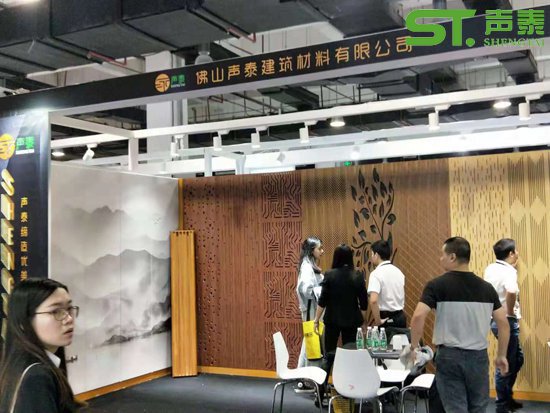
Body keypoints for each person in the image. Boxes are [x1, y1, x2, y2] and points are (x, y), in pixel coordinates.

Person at [409, 237, 510, 413]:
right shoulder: (487, 289)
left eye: (443, 255)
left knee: (455, 408)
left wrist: (413, 347)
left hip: (449, 357)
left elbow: (418, 316)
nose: (440, 258)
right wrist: (501, 355)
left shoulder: (436, 285)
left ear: (452, 257)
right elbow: (503, 323)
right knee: (478, 408)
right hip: (478, 357)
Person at [0, 278, 84, 413]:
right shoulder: (36, 377)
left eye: (69, 309)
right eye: (56, 311)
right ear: (24, 321)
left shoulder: (20, 365)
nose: (69, 318)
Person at [313, 244, 368, 381]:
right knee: (351, 355)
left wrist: (316, 320)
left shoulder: (329, 275)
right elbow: (364, 303)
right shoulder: (357, 275)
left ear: (336, 257)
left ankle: (321, 387)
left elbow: (322, 300)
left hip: (332, 320)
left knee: (328, 356)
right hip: (352, 321)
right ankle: (350, 386)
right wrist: (363, 322)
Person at [484, 238, 524, 413]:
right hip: (506, 321)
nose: (517, 253)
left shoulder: (490, 268)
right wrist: (510, 313)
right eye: (516, 251)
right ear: (510, 253)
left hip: (494, 319)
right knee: (506, 362)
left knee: (517, 359)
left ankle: (507, 398)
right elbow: (511, 291)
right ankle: (502, 405)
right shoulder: (509, 271)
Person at [295, 236, 324, 369]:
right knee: (312, 342)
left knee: (310, 341)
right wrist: (322, 291)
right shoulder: (307, 267)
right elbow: (305, 289)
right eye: (319, 248)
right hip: (311, 310)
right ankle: (308, 373)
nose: (322, 251)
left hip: (313, 308)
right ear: (312, 250)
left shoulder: (310, 265)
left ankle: (302, 372)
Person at [367, 240, 406, 328]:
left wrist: (378, 321)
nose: (372, 257)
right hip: (400, 317)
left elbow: (373, 300)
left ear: (376, 255)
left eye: (372, 254)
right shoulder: (399, 272)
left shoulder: (376, 274)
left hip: (386, 319)